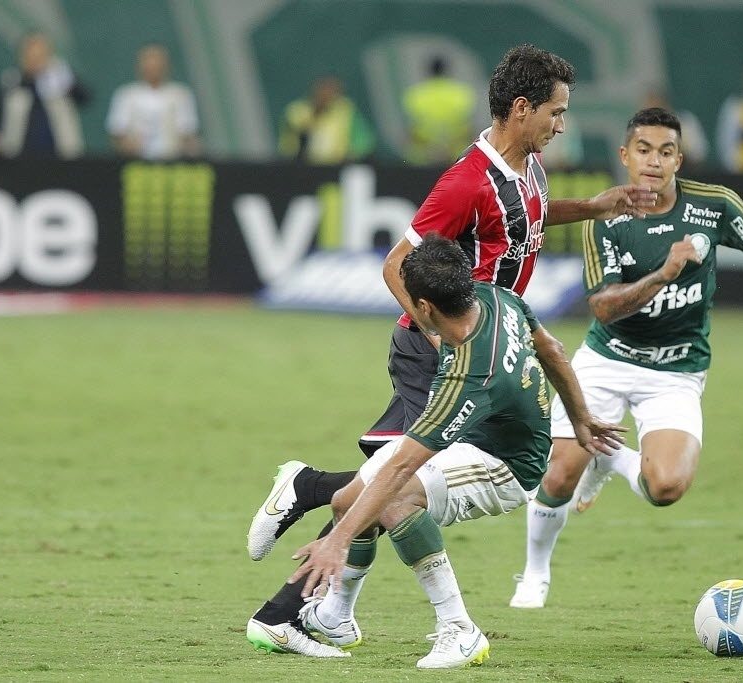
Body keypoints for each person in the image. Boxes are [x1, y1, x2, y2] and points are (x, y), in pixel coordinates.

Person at [245, 44, 656, 655]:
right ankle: (315, 572)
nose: (562, 123)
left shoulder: (531, 167)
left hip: (493, 345)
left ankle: (322, 583)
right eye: (556, 111)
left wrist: (591, 208)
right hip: (443, 354)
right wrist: (440, 338)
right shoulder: (467, 181)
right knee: (393, 485)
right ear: (521, 109)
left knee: (388, 487)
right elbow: (395, 266)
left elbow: (529, 221)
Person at [272, 234, 624, 668]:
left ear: (423, 308)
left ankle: (460, 630)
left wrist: (336, 543)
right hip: (490, 436)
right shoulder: (499, 297)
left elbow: (402, 468)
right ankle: (336, 617)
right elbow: (551, 349)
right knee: (349, 500)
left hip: (507, 465)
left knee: (394, 499)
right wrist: (581, 417)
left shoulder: (466, 378)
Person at [509, 107, 743, 609]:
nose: (654, 162)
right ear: (625, 156)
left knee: (666, 486)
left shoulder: (713, 205)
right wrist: (664, 275)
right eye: (644, 151)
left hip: (677, 370)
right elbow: (603, 308)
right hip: (608, 360)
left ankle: (607, 457)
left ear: (679, 159)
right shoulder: (607, 217)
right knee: (559, 474)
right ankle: (535, 572)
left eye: (666, 152)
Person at [0, 32, 89, 159]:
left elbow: (84, 98)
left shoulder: (61, 78)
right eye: (31, 56)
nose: (35, 61)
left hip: (61, 156)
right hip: (19, 158)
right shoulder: (11, 82)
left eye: (40, 56)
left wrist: (63, 78)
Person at [106, 43, 200, 160]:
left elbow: (188, 132)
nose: (153, 68)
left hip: (172, 162)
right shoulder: (126, 95)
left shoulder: (180, 95)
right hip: (135, 164)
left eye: (157, 64)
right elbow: (117, 131)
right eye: (149, 64)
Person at [278, 76, 376, 164]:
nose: (326, 94)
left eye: (331, 90)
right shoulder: (296, 111)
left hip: (337, 168)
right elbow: (291, 143)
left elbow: (364, 144)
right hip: (302, 169)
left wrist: (348, 158)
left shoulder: (346, 110)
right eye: (323, 89)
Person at [401, 55, 476, 165]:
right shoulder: (462, 93)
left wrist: (431, 149)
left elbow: (410, 130)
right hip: (456, 156)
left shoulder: (415, 94)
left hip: (423, 158)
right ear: (447, 70)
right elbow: (469, 127)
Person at [641, 86, 709, 168]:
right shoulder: (638, 130)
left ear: (665, 104)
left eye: (657, 105)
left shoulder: (685, 123)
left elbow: (699, 154)